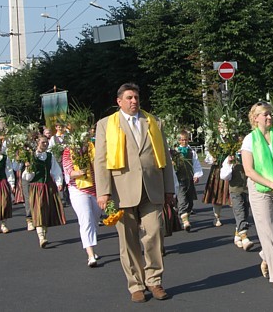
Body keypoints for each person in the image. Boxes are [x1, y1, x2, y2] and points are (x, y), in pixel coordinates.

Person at [94, 83, 175, 303]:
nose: (134, 101)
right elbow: (100, 160)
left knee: (155, 232)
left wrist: (169, 188)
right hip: (122, 191)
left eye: (137, 97)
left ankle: (154, 280)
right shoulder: (105, 125)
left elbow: (165, 158)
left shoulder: (153, 121)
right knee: (128, 240)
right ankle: (136, 285)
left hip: (152, 188)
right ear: (119, 101)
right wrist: (103, 192)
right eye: (129, 98)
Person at [241, 101, 273, 289]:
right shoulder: (249, 140)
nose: (269, 117)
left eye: (270, 114)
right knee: (267, 232)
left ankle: (266, 256)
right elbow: (249, 170)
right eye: (265, 114)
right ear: (255, 118)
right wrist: (270, 183)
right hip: (259, 188)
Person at [62, 142, 101, 267]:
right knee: (86, 220)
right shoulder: (68, 150)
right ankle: (90, 255)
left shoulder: (92, 147)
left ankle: (90, 247)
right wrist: (80, 172)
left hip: (95, 189)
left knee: (95, 219)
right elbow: (69, 172)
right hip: (78, 189)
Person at [22, 134, 65, 248]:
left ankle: (44, 234)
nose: (45, 144)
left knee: (46, 209)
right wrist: (28, 167)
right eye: (43, 142)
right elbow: (26, 177)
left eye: (46, 142)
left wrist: (59, 182)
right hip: (36, 186)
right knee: (38, 210)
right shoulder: (32, 156)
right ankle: (41, 236)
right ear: (37, 143)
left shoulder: (49, 156)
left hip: (48, 186)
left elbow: (56, 170)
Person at [220, 135, 254, 250]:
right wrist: (229, 163)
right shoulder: (231, 158)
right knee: (239, 211)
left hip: (247, 189)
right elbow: (224, 176)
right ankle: (244, 237)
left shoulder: (249, 157)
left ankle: (237, 236)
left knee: (245, 212)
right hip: (235, 190)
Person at [173, 131, 203, 232]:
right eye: (181, 140)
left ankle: (186, 215)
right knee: (182, 200)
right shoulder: (175, 152)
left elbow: (196, 163)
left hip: (189, 179)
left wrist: (196, 175)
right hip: (179, 180)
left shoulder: (191, 152)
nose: (184, 142)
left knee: (190, 201)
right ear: (178, 141)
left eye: (185, 140)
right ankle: (185, 221)